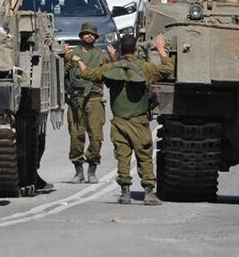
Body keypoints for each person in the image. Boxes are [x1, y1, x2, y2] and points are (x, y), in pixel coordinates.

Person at [70, 33, 173, 205]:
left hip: (118, 121)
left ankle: (125, 192)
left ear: (120, 50)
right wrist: (161, 49)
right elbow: (166, 69)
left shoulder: (111, 68)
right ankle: (148, 192)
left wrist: (79, 60)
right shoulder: (145, 67)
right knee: (144, 155)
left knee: (123, 156)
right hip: (139, 121)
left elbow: (87, 74)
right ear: (135, 49)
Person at [63, 23, 111, 184]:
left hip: (95, 99)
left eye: (92, 34)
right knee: (76, 136)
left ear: (96, 38)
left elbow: (110, 74)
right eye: (86, 33)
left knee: (96, 136)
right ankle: (78, 170)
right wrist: (67, 57)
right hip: (76, 99)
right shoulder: (72, 54)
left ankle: (92, 169)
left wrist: (113, 57)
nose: (89, 36)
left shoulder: (101, 56)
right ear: (81, 36)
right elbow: (62, 72)